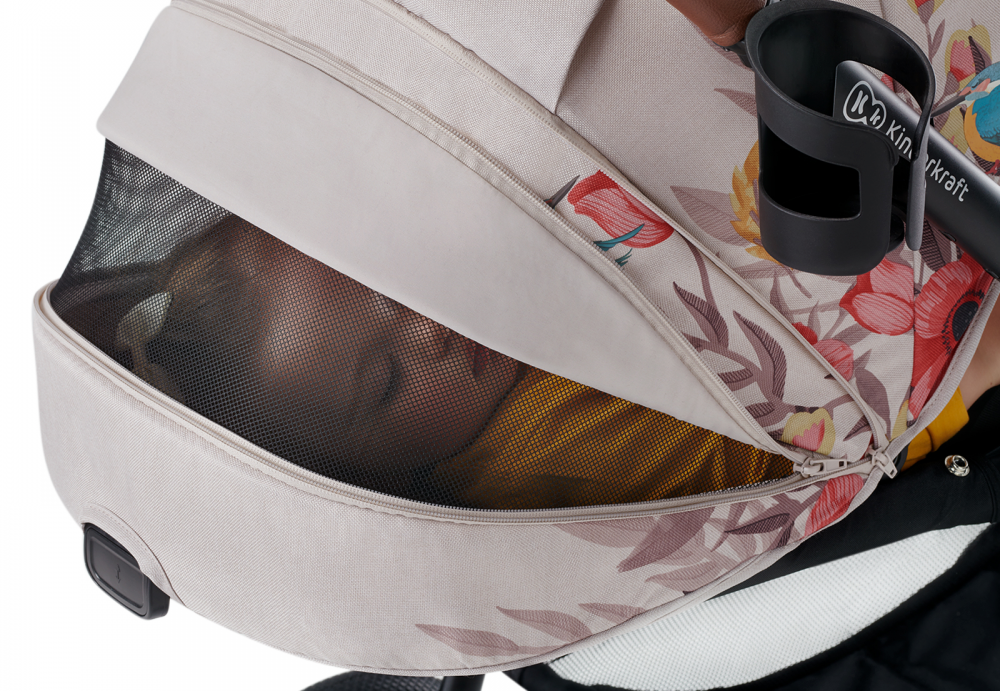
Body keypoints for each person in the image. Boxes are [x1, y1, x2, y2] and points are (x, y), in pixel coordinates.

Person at [112, 213, 998, 507]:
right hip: (908, 384)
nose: (429, 329)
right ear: (375, 475)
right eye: (386, 381)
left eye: (395, 282)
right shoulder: (545, 451)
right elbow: (820, 440)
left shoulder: (499, 332)